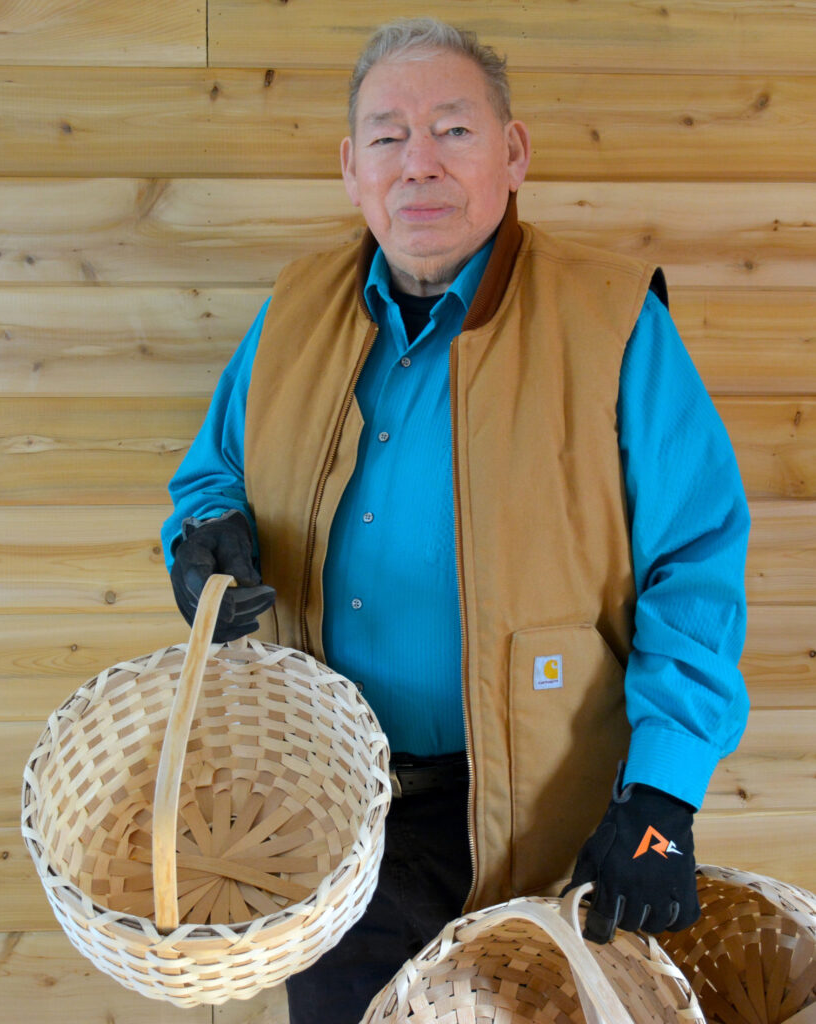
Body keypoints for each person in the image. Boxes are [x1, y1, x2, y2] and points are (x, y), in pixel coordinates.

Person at [162, 17, 750, 1023]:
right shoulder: (293, 311)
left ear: (513, 154)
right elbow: (213, 471)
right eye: (388, 137)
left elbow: (693, 562)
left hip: (547, 816)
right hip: (336, 811)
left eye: (453, 130)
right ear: (352, 170)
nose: (418, 163)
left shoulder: (611, 322)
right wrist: (204, 535)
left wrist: (662, 795)